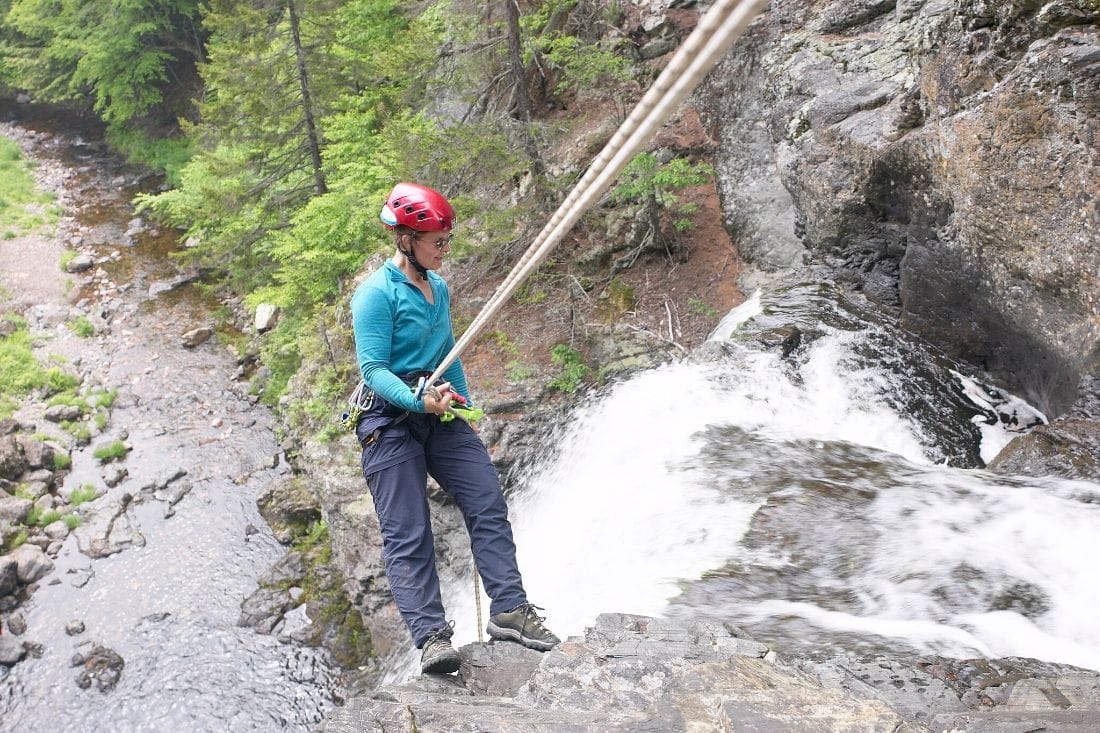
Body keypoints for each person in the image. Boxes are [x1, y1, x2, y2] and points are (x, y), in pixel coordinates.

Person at [349, 182, 560, 675]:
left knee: (486, 499)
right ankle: (431, 638)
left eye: (447, 239)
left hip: (436, 407)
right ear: (405, 240)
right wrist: (416, 400)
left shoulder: (437, 288)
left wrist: (463, 404)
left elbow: (449, 352)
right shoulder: (375, 295)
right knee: (408, 533)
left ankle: (509, 611)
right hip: (389, 419)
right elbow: (373, 370)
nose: (446, 249)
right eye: (438, 241)